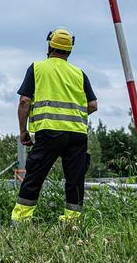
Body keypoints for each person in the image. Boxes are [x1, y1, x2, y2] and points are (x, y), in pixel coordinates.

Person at [10, 28, 98, 225]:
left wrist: (23, 131)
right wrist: (73, 115)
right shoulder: (79, 73)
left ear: (50, 45)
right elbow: (92, 105)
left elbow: (25, 101)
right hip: (77, 134)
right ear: (69, 51)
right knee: (75, 180)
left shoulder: (37, 68)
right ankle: (71, 223)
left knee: (34, 176)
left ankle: (21, 221)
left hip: (49, 131)